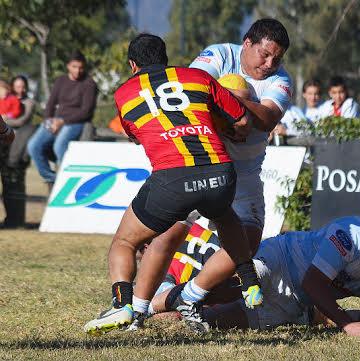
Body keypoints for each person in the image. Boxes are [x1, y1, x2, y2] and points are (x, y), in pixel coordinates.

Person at [84, 33, 262, 335]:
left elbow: (135, 134)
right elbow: (243, 121)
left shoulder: (124, 93)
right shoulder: (197, 77)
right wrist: (218, 124)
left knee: (125, 242)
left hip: (173, 178)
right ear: (165, 59)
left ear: (132, 65)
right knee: (224, 214)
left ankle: (122, 305)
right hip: (220, 171)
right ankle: (250, 281)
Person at [136, 18, 292, 328]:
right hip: (201, 162)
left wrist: (229, 102)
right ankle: (137, 310)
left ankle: (190, 296)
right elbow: (189, 94)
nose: (270, 64)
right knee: (169, 233)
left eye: (277, 58)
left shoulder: (281, 80)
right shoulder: (218, 55)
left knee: (248, 243)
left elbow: (267, 118)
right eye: (264, 54)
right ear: (246, 43)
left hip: (244, 174)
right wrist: (234, 111)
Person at [150, 217, 360, 336]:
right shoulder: (353, 233)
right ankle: (143, 308)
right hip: (280, 260)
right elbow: (314, 281)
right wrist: (346, 324)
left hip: (298, 301)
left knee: (211, 322)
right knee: (227, 290)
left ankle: (164, 302)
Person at [27, 50, 98, 188]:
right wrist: (49, 120)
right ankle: (53, 178)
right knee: (33, 146)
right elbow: (51, 103)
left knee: (59, 147)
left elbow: (86, 112)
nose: (78, 70)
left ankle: (70, 179)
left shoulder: (89, 84)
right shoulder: (61, 80)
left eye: (81, 67)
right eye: (74, 67)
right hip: (55, 120)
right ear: (68, 66)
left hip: (76, 121)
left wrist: (62, 121)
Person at [0, 76, 36, 228]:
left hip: (20, 150)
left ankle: (17, 220)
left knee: (17, 185)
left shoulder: (28, 103)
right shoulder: (8, 100)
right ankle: (10, 219)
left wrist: (3, 120)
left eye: (22, 86)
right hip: (5, 149)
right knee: (8, 185)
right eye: (16, 86)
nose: (19, 89)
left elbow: (21, 121)